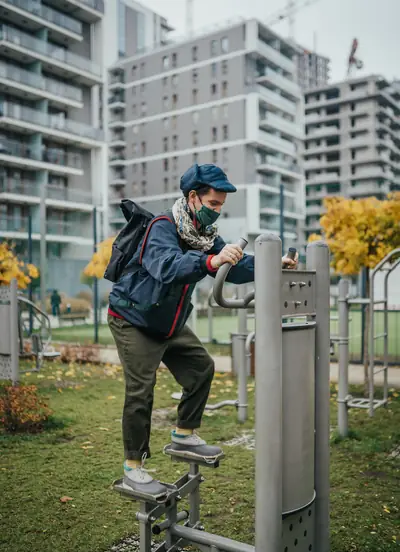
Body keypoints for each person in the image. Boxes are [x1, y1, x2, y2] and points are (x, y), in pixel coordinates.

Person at [107, 164, 298, 497]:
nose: (217, 211)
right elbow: (166, 265)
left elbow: (234, 266)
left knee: (201, 368)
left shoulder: (203, 234)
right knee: (141, 389)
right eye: (213, 204)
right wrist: (209, 262)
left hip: (167, 322)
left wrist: (272, 262)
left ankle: (183, 433)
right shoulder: (162, 227)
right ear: (193, 197)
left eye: (221, 205)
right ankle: (132, 467)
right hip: (133, 318)